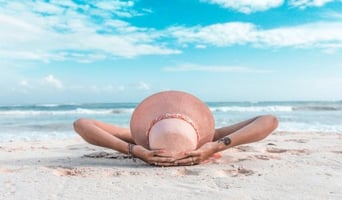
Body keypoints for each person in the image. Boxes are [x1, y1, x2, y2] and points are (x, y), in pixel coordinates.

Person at [73, 90, 278, 166]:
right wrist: (215, 146)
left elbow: (269, 120)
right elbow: (269, 120)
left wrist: (134, 149)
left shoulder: (139, 139)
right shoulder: (209, 138)